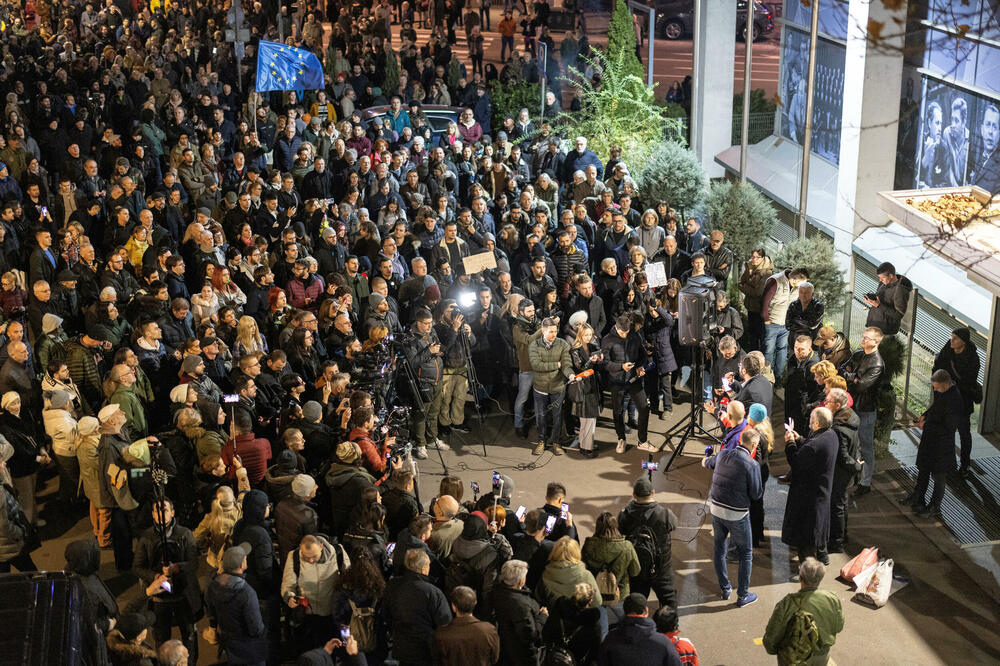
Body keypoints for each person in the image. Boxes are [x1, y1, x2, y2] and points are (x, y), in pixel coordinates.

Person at [134, 499, 202, 664]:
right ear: (152, 515)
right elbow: (137, 567)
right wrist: (155, 577)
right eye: (157, 511)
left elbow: (194, 562)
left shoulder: (184, 534)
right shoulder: (146, 537)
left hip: (183, 594)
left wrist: (179, 567)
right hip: (159, 597)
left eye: (164, 510)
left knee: (189, 634)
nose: (160, 514)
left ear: (172, 512)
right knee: (161, 637)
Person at [702, 425, 763, 607]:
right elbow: (756, 494)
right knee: (746, 553)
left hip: (716, 510)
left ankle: (725, 588)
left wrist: (705, 459)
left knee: (719, 549)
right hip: (737, 514)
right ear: (753, 444)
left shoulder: (722, 455)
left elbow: (708, 463)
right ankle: (743, 595)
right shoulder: (752, 465)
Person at [902, 370, 965, 517]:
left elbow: (949, 426)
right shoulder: (943, 393)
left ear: (945, 384)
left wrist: (927, 425)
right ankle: (918, 496)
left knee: (939, 476)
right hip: (931, 440)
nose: (934, 390)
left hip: (941, 444)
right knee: (923, 469)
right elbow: (935, 408)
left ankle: (934, 506)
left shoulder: (955, 400)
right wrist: (925, 415)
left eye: (936, 387)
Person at [781, 408, 839, 565]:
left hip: (808, 498)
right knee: (819, 530)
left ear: (818, 423)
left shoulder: (814, 446)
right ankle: (823, 556)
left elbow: (796, 462)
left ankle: (808, 572)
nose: (809, 423)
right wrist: (799, 438)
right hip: (822, 492)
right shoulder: (831, 435)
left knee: (805, 539)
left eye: (811, 420)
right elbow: (812, 447)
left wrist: (790, 443)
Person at [763, 558, 845, 666]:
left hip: (793, 659)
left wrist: (775, 651)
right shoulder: (832, 599)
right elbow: (839, 626)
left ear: (801, 578)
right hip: (821, 657)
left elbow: (771, 637)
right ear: (820, 578)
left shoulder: (787, 603)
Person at [381, 548, 452, 666]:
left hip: (401, 646)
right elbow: (445, 623)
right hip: (426, 650)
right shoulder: (433, 592)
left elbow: (386, 613)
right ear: (424, 568)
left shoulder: (393, 585)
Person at [280, 534, 351, 650]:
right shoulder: (294, 556)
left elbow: (349, 579)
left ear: (321, 546)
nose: (311, 560)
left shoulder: (338, 553)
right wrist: (289, 597)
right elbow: (288, 585)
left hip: (332, 615)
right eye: (306, 557)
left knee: (330, 652)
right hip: (308, 616)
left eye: (314, 556)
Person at [617, 477, 678, 612]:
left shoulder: (625, 514)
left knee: (636, 603)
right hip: (661, 569)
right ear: (653, 493)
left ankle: (637, 627)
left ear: (634, 495)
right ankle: (669, 628)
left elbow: (620, 531)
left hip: (636, 567)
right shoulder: (665, 514)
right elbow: (674, 525)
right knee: (669, 601)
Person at [839, 326, 884, 496]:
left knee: (865, 445)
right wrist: (852, 377)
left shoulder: (877, 364)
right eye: (864, 336)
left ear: (876, 342)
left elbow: (862, 386)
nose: (863, 339)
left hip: (865, 409)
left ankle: (865, 481)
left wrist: (852, 378)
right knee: (851, 442)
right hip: (853, 406)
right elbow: (843, 369)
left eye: (867, 338)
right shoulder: (858, 354)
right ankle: (854, 475)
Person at [204, 543, 267, 665]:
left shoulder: (213, 585)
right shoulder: (247, 593)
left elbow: (211, 612)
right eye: (245, 558)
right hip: (250, 649)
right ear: (242, 565)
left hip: (229, 644)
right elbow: (256, 628)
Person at [932, 327, 980, 477]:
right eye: (952, 337)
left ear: (963, 342)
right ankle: (948, 464)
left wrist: (951, 386)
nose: (952, 340)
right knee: (947, 433)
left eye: (956, 338)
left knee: (964, 434)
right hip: (946, 397)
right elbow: (938, 367)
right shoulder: (948, 348)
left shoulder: (972, 358)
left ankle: (965, 465)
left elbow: (968, 381)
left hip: (963, 401)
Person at [602, 314, 654, 454]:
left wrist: (640, 366)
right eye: (622, 332)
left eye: (627, 331)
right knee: (618, 412)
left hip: (633, 379)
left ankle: (642, 441)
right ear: (616, 327)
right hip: (616, 381)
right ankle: (621, 438)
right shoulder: (607, 340)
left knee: (644, 408)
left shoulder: (634, 336)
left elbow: (643, 355)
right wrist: (621, 367)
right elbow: (606, 363)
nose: (625, 335)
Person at [528, 315, 576, 455]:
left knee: (558, 417)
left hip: (558, 387)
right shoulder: (534, 345)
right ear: (543, 331)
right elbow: (536, 365)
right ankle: (541, 441)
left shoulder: (563, 344)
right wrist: (556, 365)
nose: (554, 335)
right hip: (540, 388)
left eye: (555, 331)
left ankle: (556, 442)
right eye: (551, 332)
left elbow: (566, 363)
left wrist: (570, 374)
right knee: (541, 416)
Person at [488, 559, 547, 666]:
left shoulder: (498, 591)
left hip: (505, 646)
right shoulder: (520, 605)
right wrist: (542, 617)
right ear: (520, 581)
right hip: (520, 655)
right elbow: (529, 634)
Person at [597, 592, 681, 666]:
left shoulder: (611, 638)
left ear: (625, 611)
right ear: (646, 611)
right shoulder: (663, 641)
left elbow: (602, 661)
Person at [825, 389, 861, 553]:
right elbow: (857, 445)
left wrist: (856, 465)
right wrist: (857, 463)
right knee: (843, 504)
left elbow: (843, 456)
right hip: (847, 473)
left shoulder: (839, 428)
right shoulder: (851, 417)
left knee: (837, 506)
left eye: (828, 401)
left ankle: (836, 542)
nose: (825, 403)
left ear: (838, 405)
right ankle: (842, 535)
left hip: (840, 473)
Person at [760, 267, 809, 379]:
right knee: (769, 350)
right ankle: (767, 376)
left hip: (786, 325)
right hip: (772, 323)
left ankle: (778, 376)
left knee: (782, 349)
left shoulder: (798, 287)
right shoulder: (775, 281)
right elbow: (764, 302)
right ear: (795, 279)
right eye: (802, 282)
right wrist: (766, 320)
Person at [433, 585, 501, 666]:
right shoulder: (489, 630)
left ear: (453, 607)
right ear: (475, 603)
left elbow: (437, 660)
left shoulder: (441, 634)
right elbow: (494, 658)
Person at [864, 262, 912, 336]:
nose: (880, 280)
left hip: (884, 331)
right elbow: (880, 300)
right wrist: (871, 299)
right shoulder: (883, 284)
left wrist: (879, 305)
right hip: (873, 325)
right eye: (879, 278)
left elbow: (899, 315)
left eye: (882, 278)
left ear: (891, 275)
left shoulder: (900, 290)